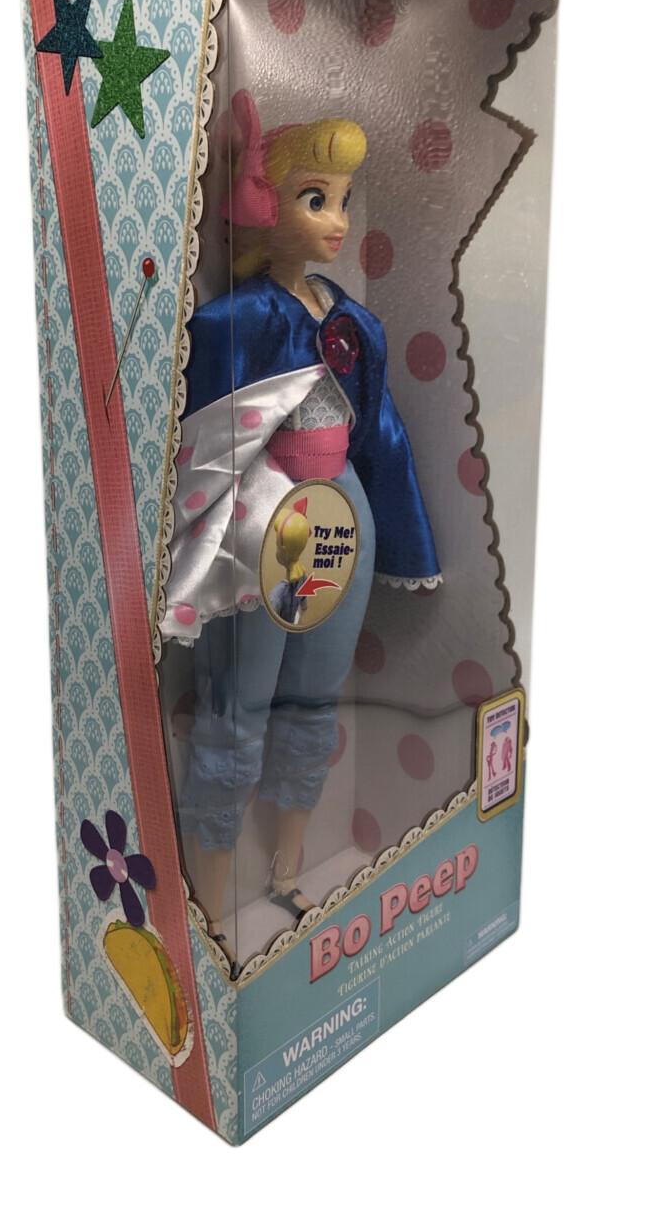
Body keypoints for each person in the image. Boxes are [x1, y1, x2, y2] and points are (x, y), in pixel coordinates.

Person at [164, 90, 441, 963]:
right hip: (266, 517)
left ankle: (288, 865)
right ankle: (212, 895)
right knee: (240, 703)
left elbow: (383, 435)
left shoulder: (354, 321)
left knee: (316, 695)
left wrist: (404, 536)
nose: (337, 220)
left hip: (341, 513)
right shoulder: (238, 319)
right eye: (314, 198)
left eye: (344, 200)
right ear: (263, 203)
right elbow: (197, 437)